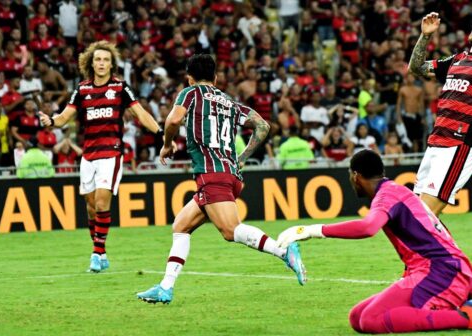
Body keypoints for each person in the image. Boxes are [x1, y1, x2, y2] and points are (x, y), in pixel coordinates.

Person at [136, 54, 305, 304]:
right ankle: (165, 287)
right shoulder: (229, 102)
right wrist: (243, 157)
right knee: (181, 226)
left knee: (230, 230)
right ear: (215, 78)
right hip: (229, 174)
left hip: (212, 174)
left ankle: (284, 251)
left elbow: (172, 119)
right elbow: (262, 126)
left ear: (189, 78)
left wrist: (167, 144)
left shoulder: (190, 94)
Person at [277, 150, 472, 333]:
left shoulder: (387, 195)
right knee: (356, 317)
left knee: (370, 320)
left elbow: (368, 228)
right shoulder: (392, 191)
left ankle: (465, 317)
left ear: (356, 176)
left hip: (442, 271)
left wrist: (311, 230)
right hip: (439, 269)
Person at [38, 41, 164, 273]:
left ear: (111, 64)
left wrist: (160, 132)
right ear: (91, 63)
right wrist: (51, 122)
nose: (102, 63)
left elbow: (140, 113)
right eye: (98, 59)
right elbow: (64, 117)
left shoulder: (120, 88)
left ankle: (96, 254)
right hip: (88, 154)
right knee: (91, 207)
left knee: (102, 201)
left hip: (111, 152)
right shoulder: (82, 89)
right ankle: (102, 253)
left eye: (106, 60)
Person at [408, 12, 472, 216]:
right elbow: (416, 68)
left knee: (423, 216)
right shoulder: (458, 59)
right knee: (419, 213)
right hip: (436, 142)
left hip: (458, 144)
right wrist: (425, 36)